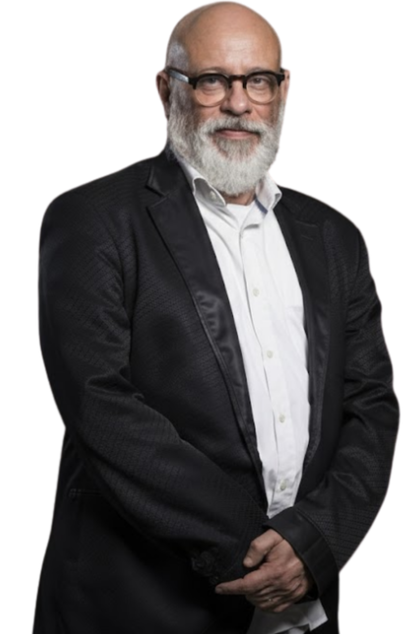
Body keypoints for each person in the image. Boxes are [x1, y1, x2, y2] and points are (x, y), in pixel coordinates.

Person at [32, 3, 399, 634]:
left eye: (258, 80)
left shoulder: (334, 238)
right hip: (142, 607)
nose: (238, 103)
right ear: (166, 89)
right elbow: (102, 409)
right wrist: (263, 552)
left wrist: (315, 541)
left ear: (283, 90)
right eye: (211, 81)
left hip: (304, 608)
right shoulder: (93, 220)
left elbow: (369, 407)